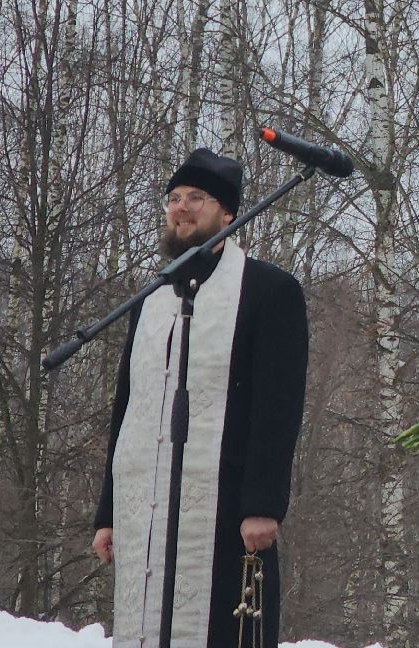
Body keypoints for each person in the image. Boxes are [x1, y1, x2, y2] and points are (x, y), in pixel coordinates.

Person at [93, 147, 310, 648]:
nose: (182, 207)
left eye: (197, 197)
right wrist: (108, 513)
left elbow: (278, 407)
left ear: (228, 213)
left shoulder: (268, 291)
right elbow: (129, 408)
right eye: (174, 198)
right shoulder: (150, 298)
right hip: (146, 508)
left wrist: (263, 505)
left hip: (226, 507)